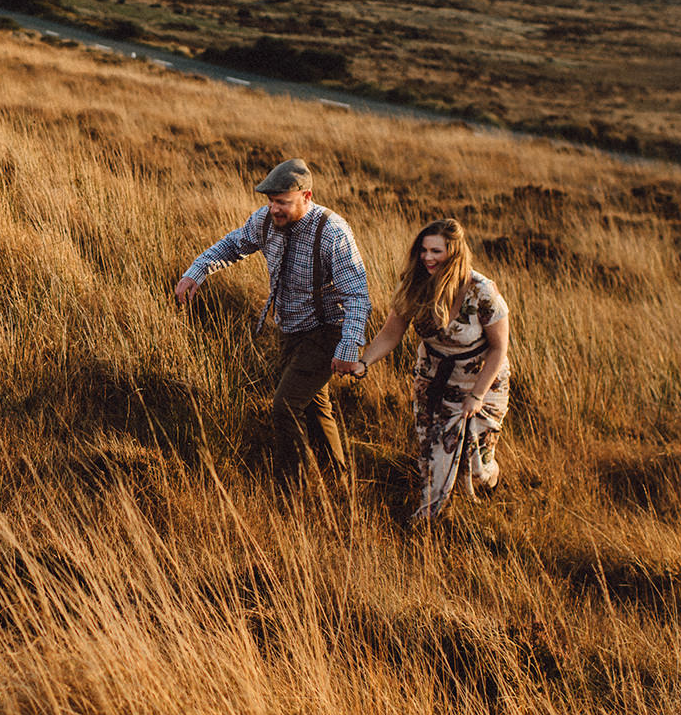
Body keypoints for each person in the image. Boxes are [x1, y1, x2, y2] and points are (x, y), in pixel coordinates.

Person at [174, 159, 371, 490]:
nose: (274, 209)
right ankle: (339, 484)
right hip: (290, 329)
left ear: (306, 196)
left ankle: (288, 490)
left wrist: (349, 347)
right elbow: (232, 245)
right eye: (271, 201)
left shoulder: (333, 232)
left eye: (282, 202)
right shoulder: (265, 221)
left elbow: (357, 295)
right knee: (314, 406)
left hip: (327, 330)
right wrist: (198, 270)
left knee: (285, 407)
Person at [354, 218, 511, 523]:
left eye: (436, 251)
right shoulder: (414, 285)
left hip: (483, 383)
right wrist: (363, 362)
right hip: (434, 381)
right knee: (433, 462)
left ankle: (490, 482)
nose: (427, 257)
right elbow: (390, 334)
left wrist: (476, 396)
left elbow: (499, 348)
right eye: (424, 250)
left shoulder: (482, 291)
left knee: (475, 467)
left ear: (454, 253)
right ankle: (426, 523)